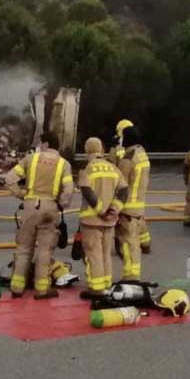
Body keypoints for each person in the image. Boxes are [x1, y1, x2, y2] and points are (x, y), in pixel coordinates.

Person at [4, 132, 75, 299]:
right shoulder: (64, 164)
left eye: (40, 143)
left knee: (24, 248)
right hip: (50, 208)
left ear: (46, 144)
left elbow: (9, 179)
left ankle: (17, 287)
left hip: (30, 207)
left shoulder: (31, 159)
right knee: (45, 250)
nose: (38, 146)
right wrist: (61, 204)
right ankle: (42, 289)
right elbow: (68, 190)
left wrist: (21, 194)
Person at [75, 137, 127, 294]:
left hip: (91, 220)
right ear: (102, 150)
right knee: (105, 253)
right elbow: (124, 191)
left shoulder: (87, 169)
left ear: (86, 150)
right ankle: (106, 284)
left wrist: (101, 211)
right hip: (110, 221)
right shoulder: (113, 168)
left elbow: (87, 191)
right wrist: (114, 210)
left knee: (93, 254)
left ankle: (96, 288)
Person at [113, 125, 150, 282]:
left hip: (127, 208)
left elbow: (119, 185)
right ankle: (132, 274)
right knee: (134, 241)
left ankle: (131, 276)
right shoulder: (142, 154)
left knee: (128, 244)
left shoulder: (127, 159)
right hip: (139, 206)